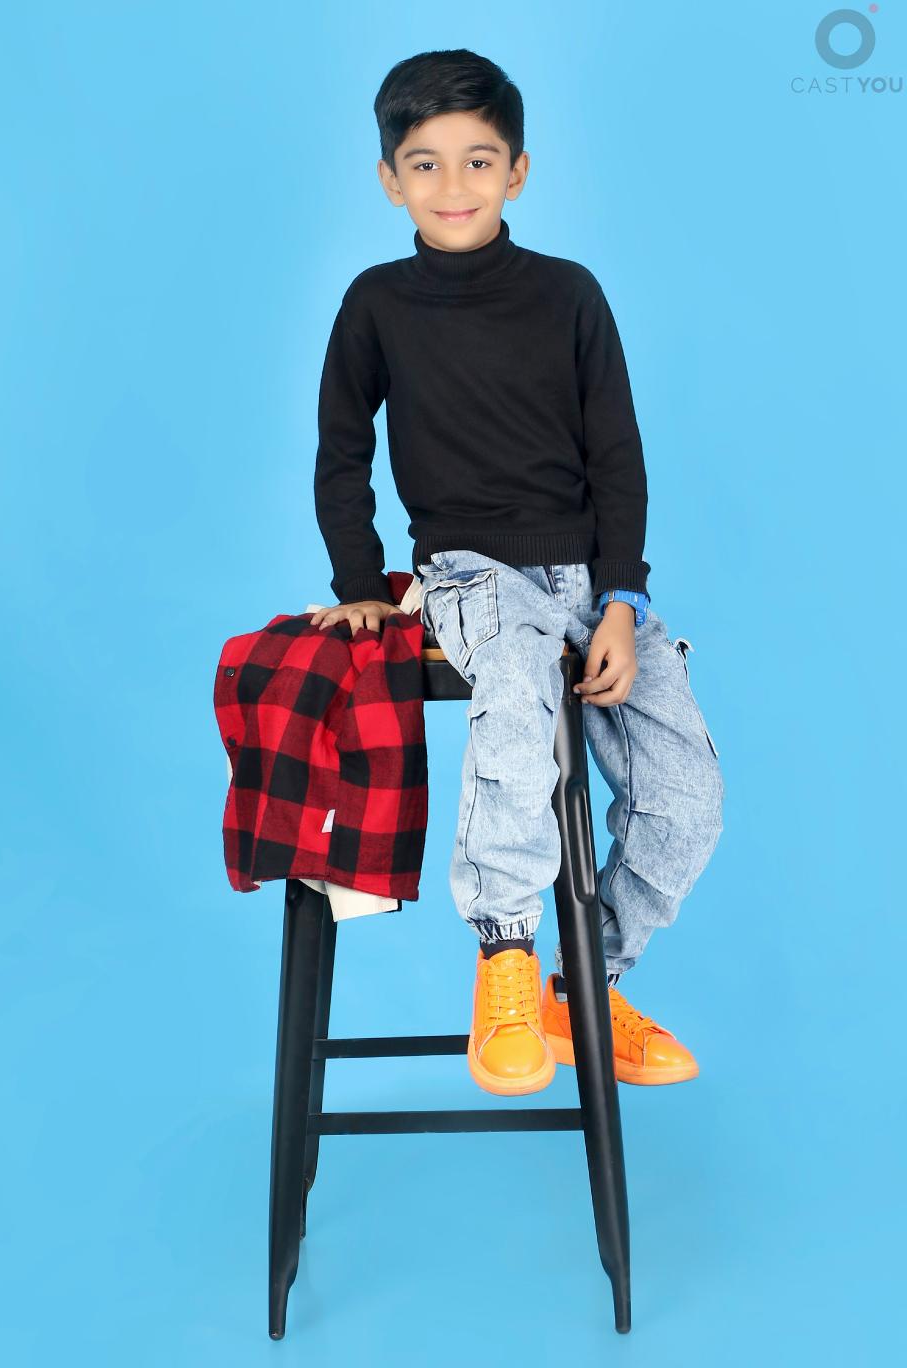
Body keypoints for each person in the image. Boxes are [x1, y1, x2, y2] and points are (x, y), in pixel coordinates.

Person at [310, 48, 724, 1096]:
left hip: (590, 580)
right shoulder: (375, 304)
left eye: (478, 161)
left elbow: (617, 457)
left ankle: (583, 986)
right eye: (426, 163)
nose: (453, 185)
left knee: (687, 794)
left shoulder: (570, 295)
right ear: (390, 180)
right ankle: (504, 955)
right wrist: (360, 583)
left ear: (519, 172)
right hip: (470, 573)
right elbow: (341, 452)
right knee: (514, 689)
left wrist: (622, 599)